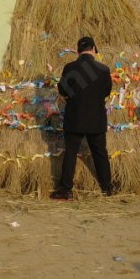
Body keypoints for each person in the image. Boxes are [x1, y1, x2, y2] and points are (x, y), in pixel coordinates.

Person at [51, 37, 113, 201]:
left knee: (70, 153)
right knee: (100, 153)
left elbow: (63, 90)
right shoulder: (103, 69)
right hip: (96, 119)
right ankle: (107, 188)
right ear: (93, 49)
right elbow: (107, 91)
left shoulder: (70, 68)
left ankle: (65, 190)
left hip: (75, 117)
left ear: (78, 50)